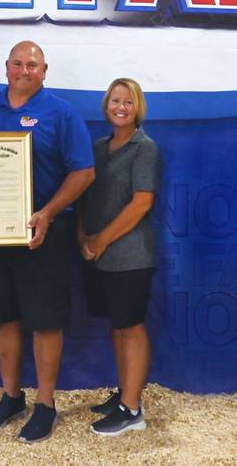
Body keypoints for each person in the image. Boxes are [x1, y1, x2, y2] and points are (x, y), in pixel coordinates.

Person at [0, 40, 94, 443]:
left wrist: (49, 212)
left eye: (32, 65)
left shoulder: (61, 114)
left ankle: (45, 404)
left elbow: (84, 173)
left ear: (44, 70)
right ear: (6, 67)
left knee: (45, 320)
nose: (24, 70)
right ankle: (10, 396)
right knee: (3, 315)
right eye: (18, 63)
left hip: (44, 235)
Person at [78, 78, 162, 436]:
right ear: (106, 105)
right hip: (100, 255)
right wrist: (83, 236)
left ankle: (132, 409)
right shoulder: (98, 147)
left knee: (131, 327)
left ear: (138, 107)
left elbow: (142, 202)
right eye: (115, 100)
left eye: (128, 101)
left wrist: (100, 240)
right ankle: (124, 393)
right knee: (117, 326)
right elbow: (84, 193)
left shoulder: (146, 149)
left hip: (130, 256)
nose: (121, 107)